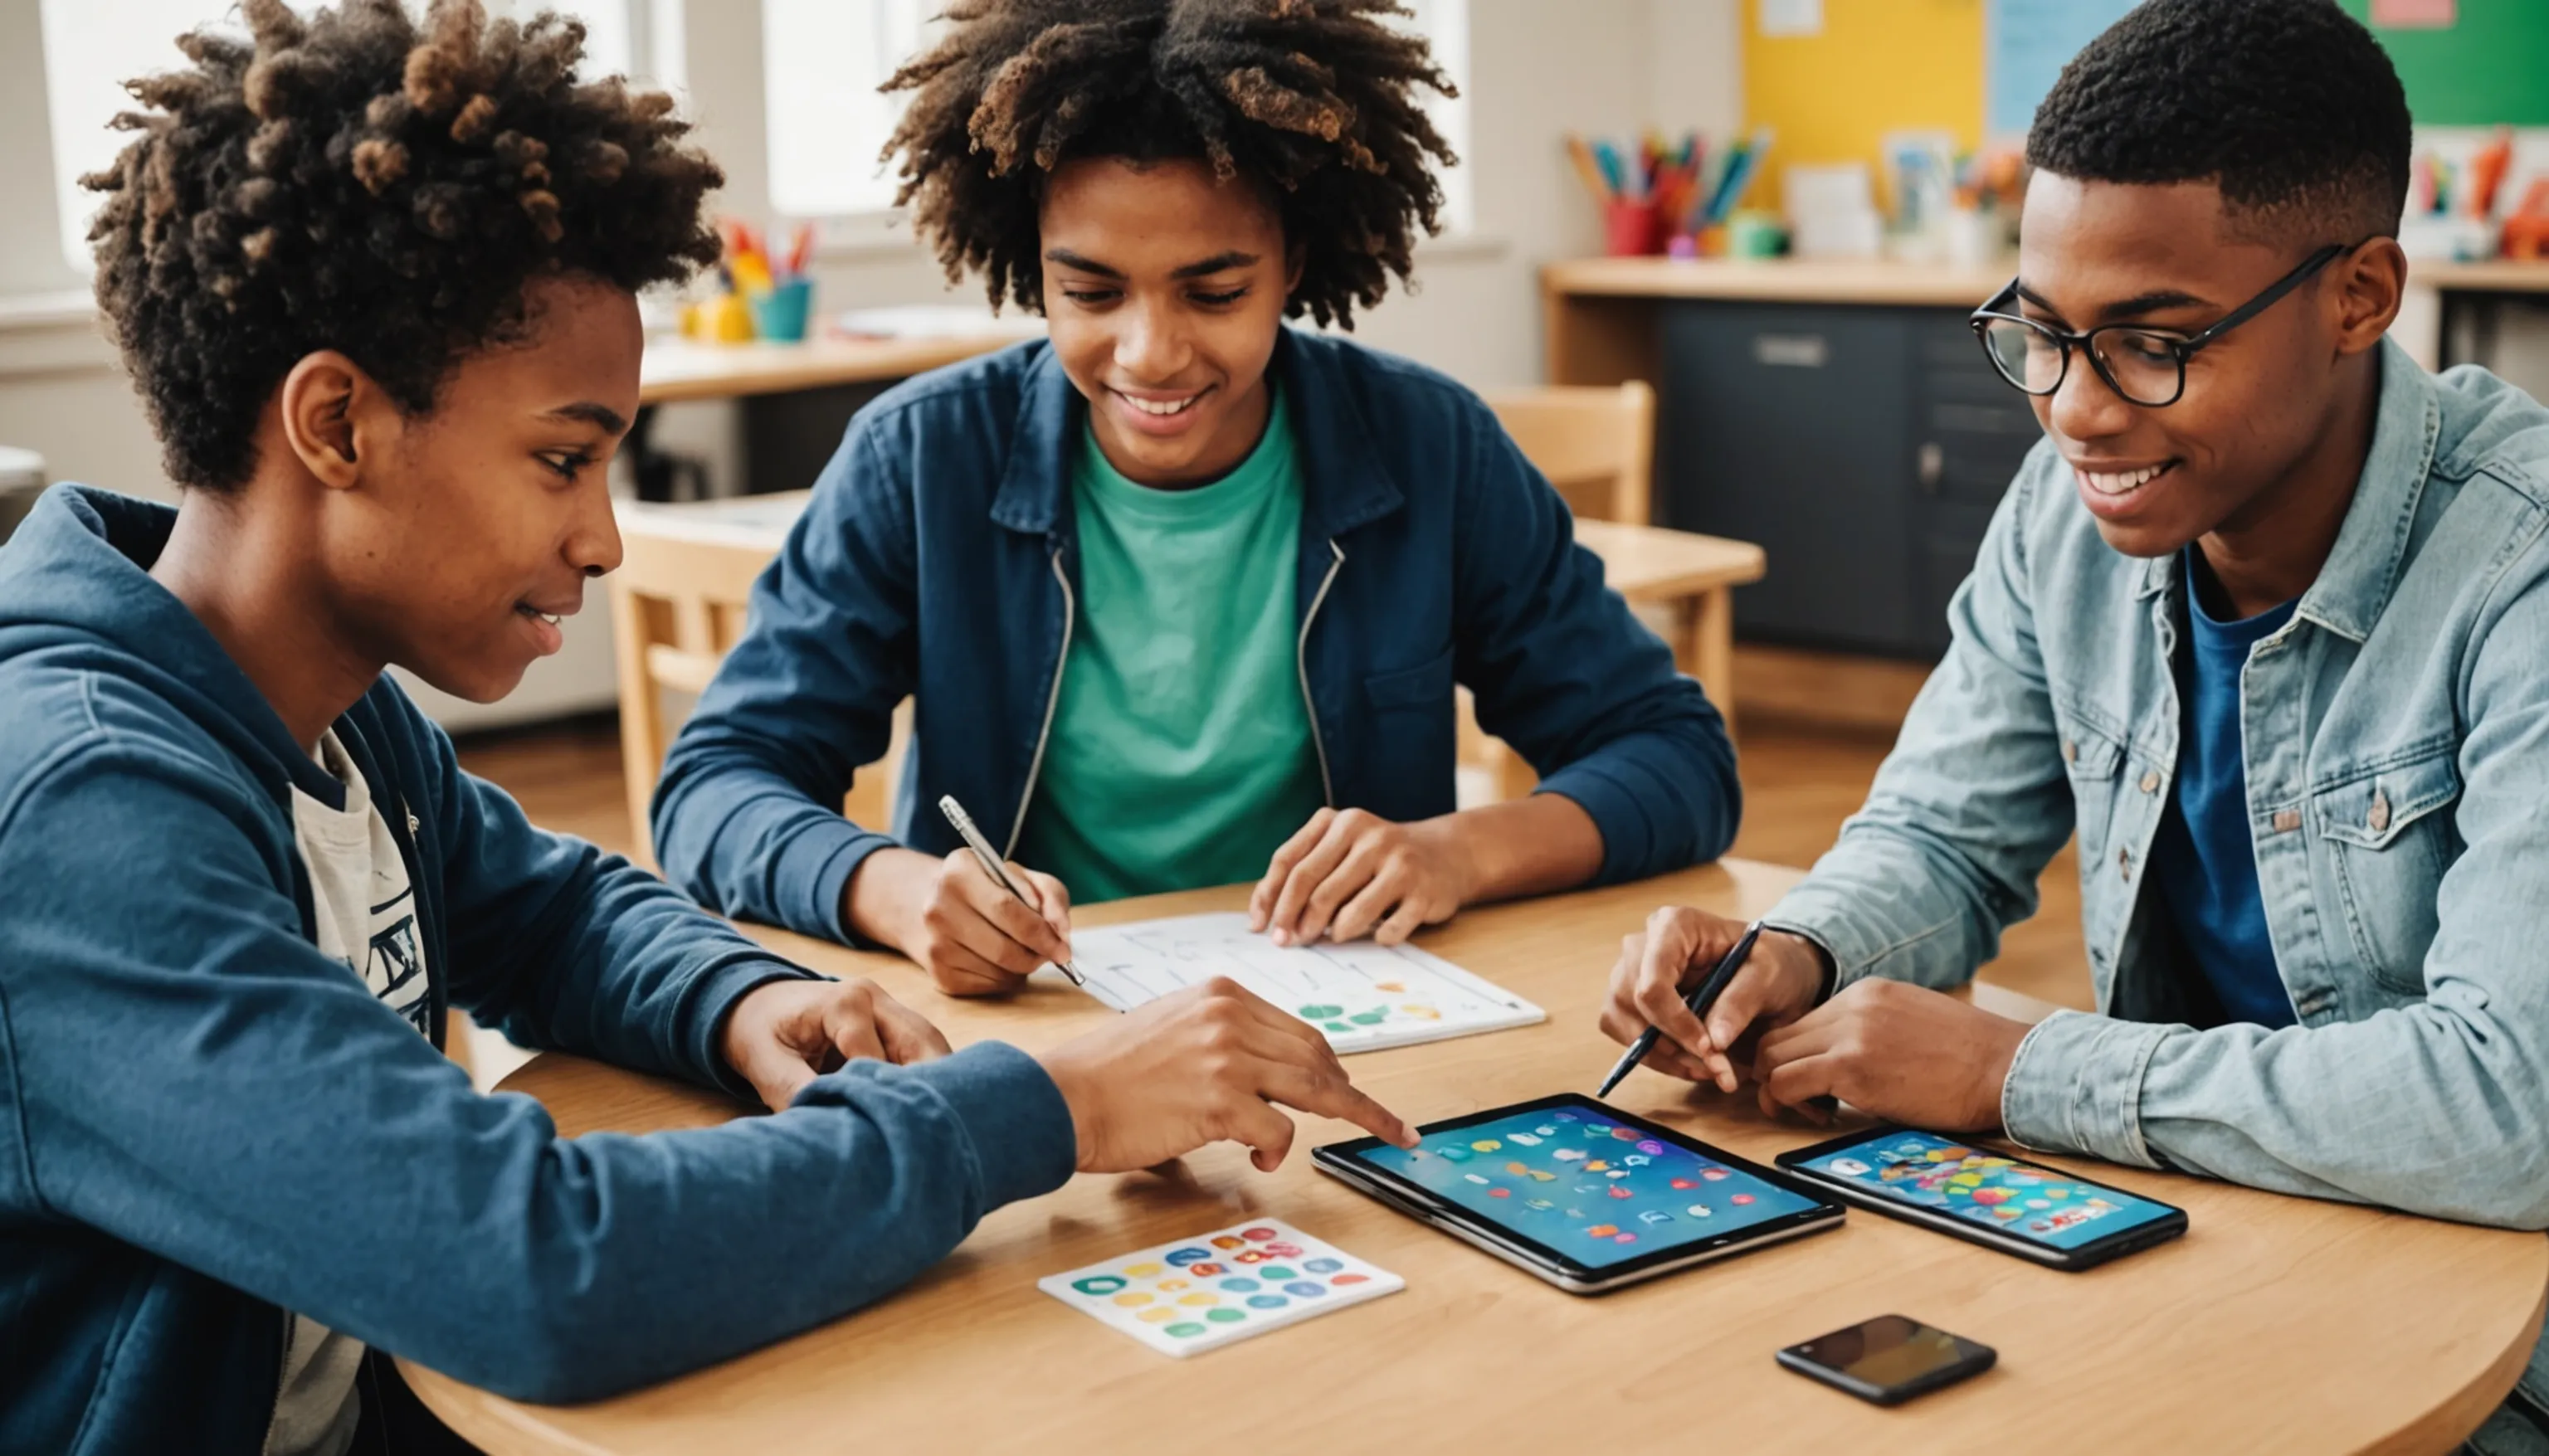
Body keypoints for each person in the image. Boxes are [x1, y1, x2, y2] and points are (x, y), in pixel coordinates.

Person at [0, 4, 1412, 1451]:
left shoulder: (325, 711)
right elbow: (535, 1263)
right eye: (564, 459)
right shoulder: (83, 809)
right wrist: (1047, 1103)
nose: (605, 542)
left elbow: (555, 915)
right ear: (337, 425)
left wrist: (741, 1000)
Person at [1601, 1, 2549, 1444]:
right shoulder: (2071, 511)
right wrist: (1797, 950)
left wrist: (2016, 1070)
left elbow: (2513, 1103)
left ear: (2360, 295)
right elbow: (1940, 833)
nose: (2076, 413)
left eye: (2153, 346)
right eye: (2039, 334)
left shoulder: (2520, 564)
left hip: (2489, 1341)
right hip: (2201, 1235)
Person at [649, 0, 1741, 996]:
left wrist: (1458, 850)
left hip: (1354, 1014)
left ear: (1293, 262)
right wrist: (891, 888)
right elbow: (713, 786)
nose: (1151, 353)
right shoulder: (920, 459)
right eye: (1089, 291)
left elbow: (1677, 758)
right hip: (1041, 1036)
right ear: (1033, 265)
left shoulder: (1430, 449)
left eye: (1214, 292)